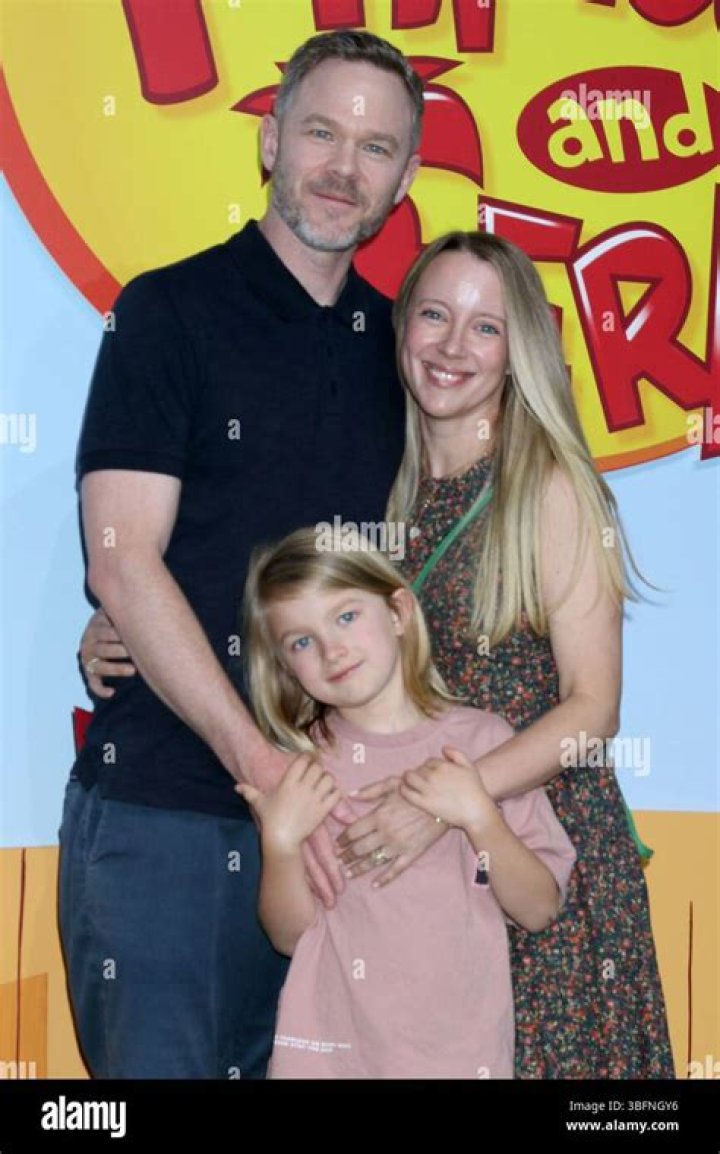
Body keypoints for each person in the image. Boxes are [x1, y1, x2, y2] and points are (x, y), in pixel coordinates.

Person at [77, 229, 675, 1074]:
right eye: (434, 315)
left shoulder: (548, 489)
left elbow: (593, 710)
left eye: (487, 327)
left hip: (525, 848)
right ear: (399, 331)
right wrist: (128, 621)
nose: (453, 346)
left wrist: (448, 802)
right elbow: (290, 598)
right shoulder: (386, 481)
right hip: (405, 877)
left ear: (521, 353)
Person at [59, 29, 424, 1079]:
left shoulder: (407, 354)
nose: (343, 167)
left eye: (376, 147)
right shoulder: (167, 311)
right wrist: (262, 768)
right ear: (270, 142)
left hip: (346, 835)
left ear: (403, 180)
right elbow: (123, 560)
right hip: (166, 816)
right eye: (321, 132)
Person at [234, 526, 576, 1078]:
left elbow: (538, 909)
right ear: (282, 666)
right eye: (301, 642)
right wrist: (280, 842)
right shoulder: (299, 773)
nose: (331, 649)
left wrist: (479, 816)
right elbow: (290, 936)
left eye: (347, 616)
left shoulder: (484, 743)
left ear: (398, 611)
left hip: (460, 1059)